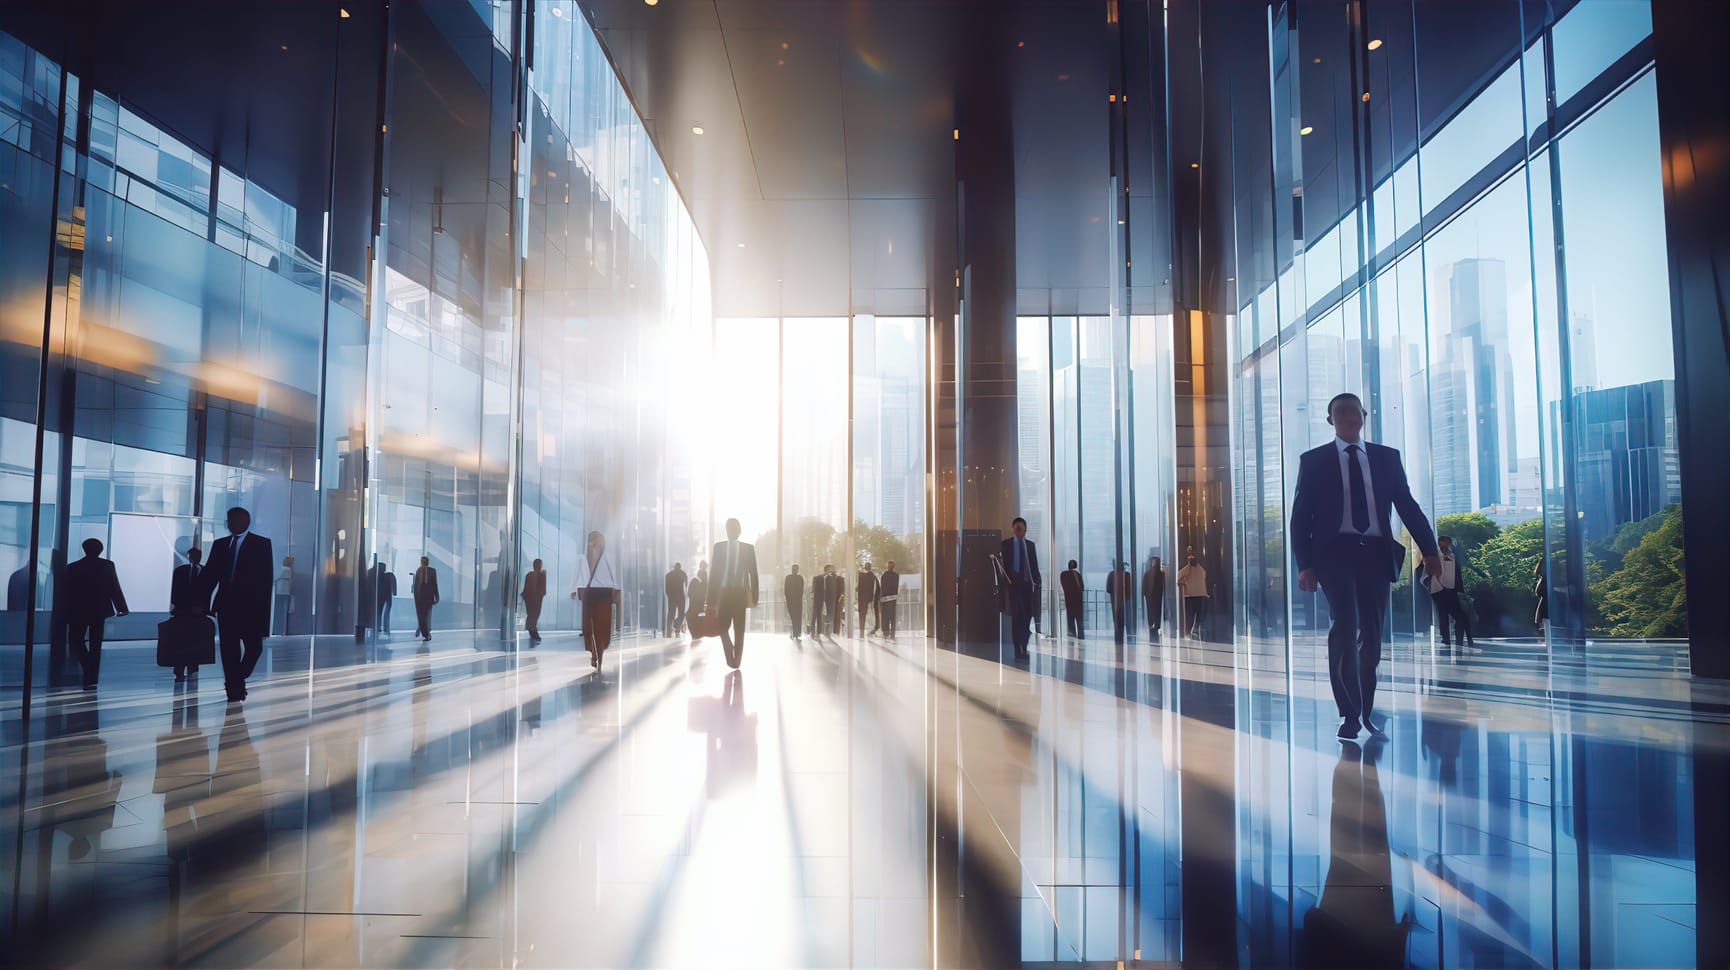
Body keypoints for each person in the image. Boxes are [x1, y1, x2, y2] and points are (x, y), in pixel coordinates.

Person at [1291, 391, 1440, 743]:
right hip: (1333, 555)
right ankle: (1349, 713)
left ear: (1363, 416)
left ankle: (1367, 710)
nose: (1347, 417)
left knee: (1372, 636)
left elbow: (1407, 505)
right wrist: (1304, 565)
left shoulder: (1387, 458)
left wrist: (1430, 549)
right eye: (1339, 413)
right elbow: (1300, 516)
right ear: (1331, 421)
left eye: (1352, 411)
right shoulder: (1314, 461)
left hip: (1375, 553)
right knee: (1345, 626)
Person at [201, 507, 275, 703]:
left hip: (251, 607)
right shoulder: (220, 545)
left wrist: (265, 614)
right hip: (225, 605)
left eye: (235, 520)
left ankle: (237, 679)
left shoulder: (261, 544)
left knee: (254, 648)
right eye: (229, 520)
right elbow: (209, 576)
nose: (230, 524)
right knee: (229, 649)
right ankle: (234, 689)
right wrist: (200, 604)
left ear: (246, 522)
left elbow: (266, 581)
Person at [63, 538, 129, 690]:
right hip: (99, 609)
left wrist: (64, 611)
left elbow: (66, 593)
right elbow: (114, 586)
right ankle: (92, 674)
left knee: (76, 640)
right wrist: (121, 607)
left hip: (78, 610)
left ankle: (87, 665)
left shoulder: (73, 567)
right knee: (95, 643)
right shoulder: (107, 565)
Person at [708, 518, 758, 669]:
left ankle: (737, 661)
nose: (732, 530)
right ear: (726, 530)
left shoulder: (748, 548)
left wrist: (755, 596)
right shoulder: (719, 547)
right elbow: (714, 573)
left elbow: (753, 573)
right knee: (722, 628)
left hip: (740, 593)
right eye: (729, 527)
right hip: (723, 593)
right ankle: (730, 653)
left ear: (739, 530)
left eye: (735, 527)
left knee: (739, 629)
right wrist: (711, 599)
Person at [570, 532, 619, 671]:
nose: (591, 544)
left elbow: (615, 574)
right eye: (590, 540)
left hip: (604, 591)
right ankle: (593, 652)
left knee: (602, 625)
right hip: (588, 591)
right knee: (587, 625)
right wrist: (573, 589)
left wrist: (616, 590)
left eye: (595, 541)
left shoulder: (608, 557)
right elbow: (576, 573)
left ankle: (600, 655)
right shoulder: (582, 557)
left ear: (601, 543)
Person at [1417, 535, 1474, 651]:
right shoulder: (1434, 556)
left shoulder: (1453, 556)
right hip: (1438, 589)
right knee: (1443, 613)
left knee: (1458, 615)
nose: (1446, 546)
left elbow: (1457, 573)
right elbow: (1423, 571)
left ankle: (1461, 639)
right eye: (1443, 543)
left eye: (1447, 543)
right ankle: (1446, 638)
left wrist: (1459, 590)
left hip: (1451, 589)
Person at [999, 516, 1041, 661]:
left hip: (1028, 585)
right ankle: (1018, 649)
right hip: (1014, 586)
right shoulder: (1006, 545)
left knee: (1027, 616)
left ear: (1025, 530)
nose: (1018, 531)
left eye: (1021, 528)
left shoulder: (1030, 545)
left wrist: (1038, 581)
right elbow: (1003, 567)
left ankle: (1024, 644)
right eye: (1016, 528)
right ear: (1013, 529)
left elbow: (1034, 565)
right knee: (1017, 617)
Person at [168, 547, 207, 682]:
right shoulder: (180, 571)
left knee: (194, 641)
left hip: (198, 612)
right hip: (182, 610)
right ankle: (179, 669)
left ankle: (193, 668)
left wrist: (204, 608)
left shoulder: (206, 571)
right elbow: (174, 590)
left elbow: (207, 591)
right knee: (181, 641)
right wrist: (175, 605)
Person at [1177, 554, 1209, 638]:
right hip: (1201, 594)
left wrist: (1183, 582)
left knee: (1190, 615)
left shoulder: (1187, 569)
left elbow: (1177, 577)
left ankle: (1189, 631)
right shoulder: (1201, 569)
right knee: (1198, 614)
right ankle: (1195, 630)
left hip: (1190, 594)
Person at [412, 555, 439, 642]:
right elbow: (416, 585)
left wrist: (436, 596)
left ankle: (426, 633)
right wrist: (415, 596)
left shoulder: (432, 571)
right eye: (422, 561)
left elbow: (435, 584)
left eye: (425, 561)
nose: (423, 563)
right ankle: (423, 631)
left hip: (428, 596)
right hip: (419, 597)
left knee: (425, 615)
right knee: (421, 616)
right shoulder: (418, 571)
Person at [522, 558, 548, 644]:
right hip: (533, 599)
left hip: (533, 598)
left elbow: (542, 590)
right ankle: (532, 630)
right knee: (533, 615)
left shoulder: (532, 575)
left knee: (533, 615)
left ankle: (532, 629)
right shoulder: (536, 575)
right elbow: (542, 590)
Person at [1108, 561, 1134, 643]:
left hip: (1115, 600)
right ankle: (1128, 635)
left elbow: (1108, 589)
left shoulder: (1111, 575)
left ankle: (1118, 633)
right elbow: (1130, 589)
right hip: (1126, 600)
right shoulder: (1127, 575)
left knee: (1117, 619)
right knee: (1126, 618)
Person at [1142, 555, 1165, 640]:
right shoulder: (1161, 574)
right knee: (1157, 611)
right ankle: (1156, 625)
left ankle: (1152, 624)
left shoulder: (1148, 573)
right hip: (1157, 595)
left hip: (1150, 596)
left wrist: (1145, 593)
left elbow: (1144, 585)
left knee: (1151, 610)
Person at [1059, 560, 1084, 639]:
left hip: (1069, 599)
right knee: (1079, 618)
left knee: (1070, 617)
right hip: (1078, 600)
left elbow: (1064, 586)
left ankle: (1072, 633)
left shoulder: (1063, 575)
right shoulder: (1077, 575)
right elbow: (1082, 587)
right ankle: (1080, 634)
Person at [855, 562, 879, 638]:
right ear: (870, 567)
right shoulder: (873, 577)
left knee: (862, 616)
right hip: (870, 600)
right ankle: (871, 630)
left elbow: (857, 588)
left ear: (865, 568)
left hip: (862, 600)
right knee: (870, 616)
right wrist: (872, 600)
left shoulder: (861, 576)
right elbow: (876, 590)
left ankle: (861, 632)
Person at [879, 560, 900, 637]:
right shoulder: (896, 575)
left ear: (888, 566)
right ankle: (893, 632)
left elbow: (882, 587)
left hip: (885, 598)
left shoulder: (884, 575)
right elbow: (896, 587)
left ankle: (886, 632)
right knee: (892, 616)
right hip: (893, 598)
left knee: (885, 616)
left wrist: (881, 597)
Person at [665, 562, 688, 635]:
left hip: (672, 597)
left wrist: (669, 596)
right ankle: (676, 626)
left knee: (671, 614)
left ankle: (669, 629)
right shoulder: (683, 574)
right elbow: (686, 586)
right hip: (681, 597)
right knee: (681, 613)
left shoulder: (668, 575)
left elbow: (666, 588)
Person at [274, 556, 295, 635]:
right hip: (286, 592)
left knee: (279, 611)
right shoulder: (291, 571)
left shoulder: (284, 569)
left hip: (280, 592)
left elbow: (276, 577)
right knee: (284, 611)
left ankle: (279, 629)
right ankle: (283, 630)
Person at [810, 564, 832, 637]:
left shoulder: (830, 579)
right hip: (818, 599)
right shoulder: (818, 578)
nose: (830, 571)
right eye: (829, 569)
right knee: (815, 615)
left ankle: (819, 632)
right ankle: (812, 631)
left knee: (820, 616)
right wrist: (813, 596)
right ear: (826, 569)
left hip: (826, 599)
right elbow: (813, 589)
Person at [375, 562, 396, 636]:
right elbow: (393, 583)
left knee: (380, 612)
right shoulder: (388, 575)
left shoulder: (378, 576)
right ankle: (384, 627)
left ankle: (380, 627)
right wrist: (394, 592)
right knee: (383, 612)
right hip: (385, 596)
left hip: (381, 596)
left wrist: (394, 591)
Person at [784, 565, 804, 640]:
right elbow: (801, 591)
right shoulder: (800, 578)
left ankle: (794, 632)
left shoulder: (788, 578)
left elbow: (786, 590)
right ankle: (796, 633)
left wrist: (788, 599)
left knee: (792, 617)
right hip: (797, 601)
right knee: (797, 617)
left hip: (791, 601)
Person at [688, 561, 709, 631]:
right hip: (701, 595)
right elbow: (705, 584)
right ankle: (698, 626)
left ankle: (696, 626)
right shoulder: (703, 573)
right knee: (699, 611)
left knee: (696, 610)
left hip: (699, 595)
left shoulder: (699, 574)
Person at [828, 563, 846, 635]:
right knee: (831, 615)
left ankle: (836, 631)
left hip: (838, 600)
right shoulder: (828, 579)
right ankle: (830, 631)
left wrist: (840, 598)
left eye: (833, 569)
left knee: (838, 616)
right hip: (830, 600)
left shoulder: (840, 579)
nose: (832, 570)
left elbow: (842, 590)